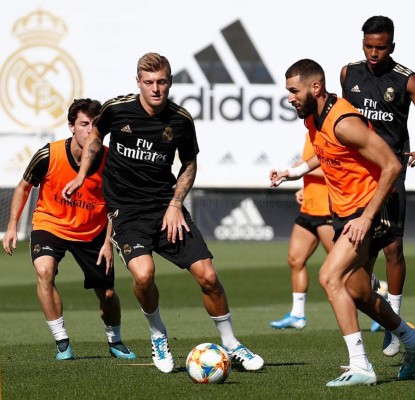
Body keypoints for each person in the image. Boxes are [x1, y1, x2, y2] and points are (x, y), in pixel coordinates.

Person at [61, 53, 264, 373]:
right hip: (127, 212)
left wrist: (173, 206)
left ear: (169, 81)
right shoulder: (116, 110)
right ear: (138, 82)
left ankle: (232, 344)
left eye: (162, 82)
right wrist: (82, 173)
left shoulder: (181, 120)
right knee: (143, 275)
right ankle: (158, 335)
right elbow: (96, 138)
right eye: (149, 82)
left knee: (209, 277)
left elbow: (189, 164)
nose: (156, 89)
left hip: (165, 207)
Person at [270, 58, 415, 386]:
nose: (289, 97)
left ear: (315, 87)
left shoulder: (344, 120)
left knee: (330, 277)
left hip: (373, 208)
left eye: (293, 91)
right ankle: (413, 340)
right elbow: (327, 151)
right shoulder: (313, 117)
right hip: (347, 212)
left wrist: (368, 217)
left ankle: (360, 365)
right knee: (358, 291)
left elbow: (391, 165)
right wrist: (296, 172)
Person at [2, 98, 136, 361]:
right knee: (44, 271)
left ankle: (115, 341)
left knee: (107, 294)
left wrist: (109, 242)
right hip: (50, 224)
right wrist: (11, 228)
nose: (89, 130)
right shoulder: (48, 154)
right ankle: (62, 342)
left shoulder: (111, 162)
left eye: (94, 125)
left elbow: (115, 206)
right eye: (84, 124)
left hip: (93, 231)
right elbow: (23, 188)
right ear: (71, 127)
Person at [340, 15, 415, 356]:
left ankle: (394, 320)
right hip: (355, 173)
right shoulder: (348, 74)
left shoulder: (406, 80)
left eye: (380, 47)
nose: (373, 53)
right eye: (368, 46)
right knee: (358, 256)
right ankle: (374, 303)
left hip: (391, 171)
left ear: (391, 46)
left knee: (394, 248)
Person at [270, 134, 334, 330]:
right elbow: (312, 169)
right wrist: (305, 188)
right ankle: (297, 314)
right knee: (295, 260)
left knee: (350, 269)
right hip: (309, 209)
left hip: (328, 212)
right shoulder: (311, 133)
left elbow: (338, 170)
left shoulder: (333, 132)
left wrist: (302, 169)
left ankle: (380, 301)